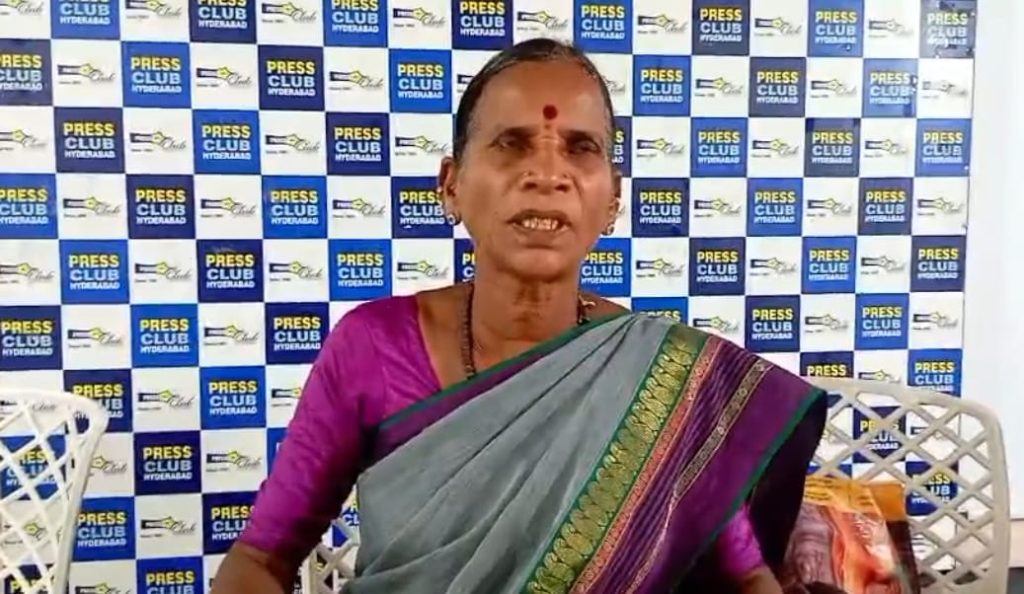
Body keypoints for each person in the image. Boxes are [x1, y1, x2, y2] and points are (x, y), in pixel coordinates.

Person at [211, 38, 827, 594]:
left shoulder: (666, 382)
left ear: (612, 199)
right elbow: (260, 558)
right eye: (512, 144)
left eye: (581, 149)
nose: (548, 174)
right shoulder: (372, 346)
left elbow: (745, 577)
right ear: (451, 185)